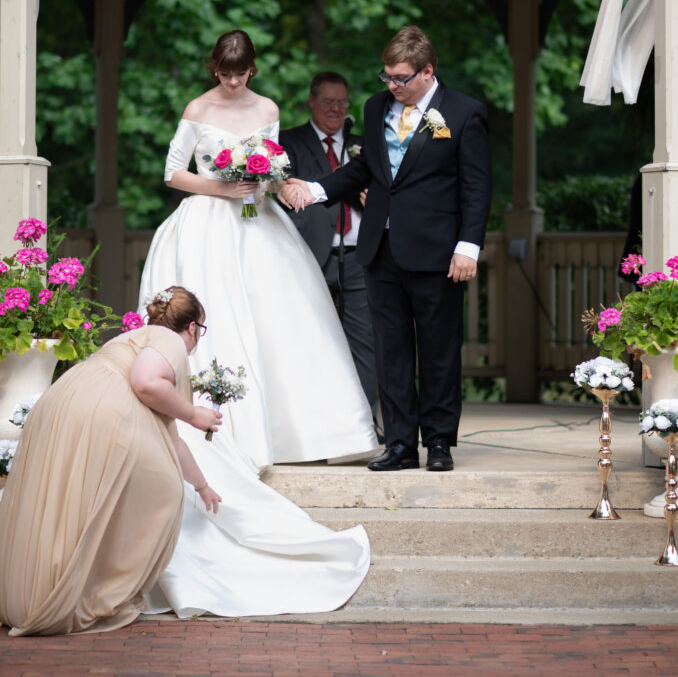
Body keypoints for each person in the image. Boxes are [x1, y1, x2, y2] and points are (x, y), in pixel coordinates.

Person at [139, 30, 378, 470]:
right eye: (225, 74)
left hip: (257, 219)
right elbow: (173, 172)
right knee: (219, 313)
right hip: (208, 219)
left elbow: (270, 169)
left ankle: (301, 434)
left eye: (240, 74)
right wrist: (221, 188)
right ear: (216, 68)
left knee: (281, 317)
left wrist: (285, 187)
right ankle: (215, 428)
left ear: (253, 68)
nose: (232, 82)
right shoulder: (198, 108)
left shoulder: (267, 108)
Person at [284, 25, 492, 473]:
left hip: (438, 252)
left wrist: (469, 246)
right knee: (390, 351)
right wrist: (316, 190)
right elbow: (364, 171)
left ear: (427, 71)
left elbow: (477, 186)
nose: (392, 86)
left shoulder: (463, 112)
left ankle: (438, 442)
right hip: (380, 248)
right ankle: (400, 443)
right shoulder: (376, 107)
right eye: (387, 77)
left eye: (400, 78)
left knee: (438, 350)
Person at [0, 287, 222, 636]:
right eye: (201, 332)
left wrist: (202, 485)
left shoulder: (139, 337)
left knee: (65, 500)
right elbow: (146, 383)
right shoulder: (170, 340)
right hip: (101, 408)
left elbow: (169, 439)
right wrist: (194, 413)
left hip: (65, 400)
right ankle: (103, 591)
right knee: (164, 492)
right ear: (193, 327)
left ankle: (44, 592)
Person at [279, 72, 380, 433]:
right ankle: (312, 427)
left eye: (342, 103)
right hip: (308, 257)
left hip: (358, 255)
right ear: (312, 101)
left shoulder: (364, 145)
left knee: (364, 344)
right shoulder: (288, 142)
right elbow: (289, 193)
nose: (336, 109)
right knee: (308, 343)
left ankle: (364, 425)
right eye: (328, 102)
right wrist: (351, 189)